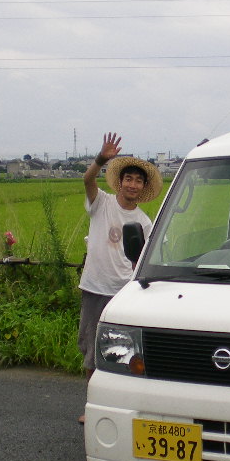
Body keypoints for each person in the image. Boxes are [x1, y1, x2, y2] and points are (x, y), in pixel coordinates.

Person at [77, 132, 162, 423]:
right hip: (95, 288)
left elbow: (143, 261)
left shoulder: (144, 222)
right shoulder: (102, 203)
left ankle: (124, 409)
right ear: (120, 182)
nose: (133, 184)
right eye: (128, 179)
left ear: (143, 187)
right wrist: (101, 159)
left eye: (138, 181)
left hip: (124, 293)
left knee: (125, 354)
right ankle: (92, 408)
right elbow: (88, 180)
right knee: (91, 351)